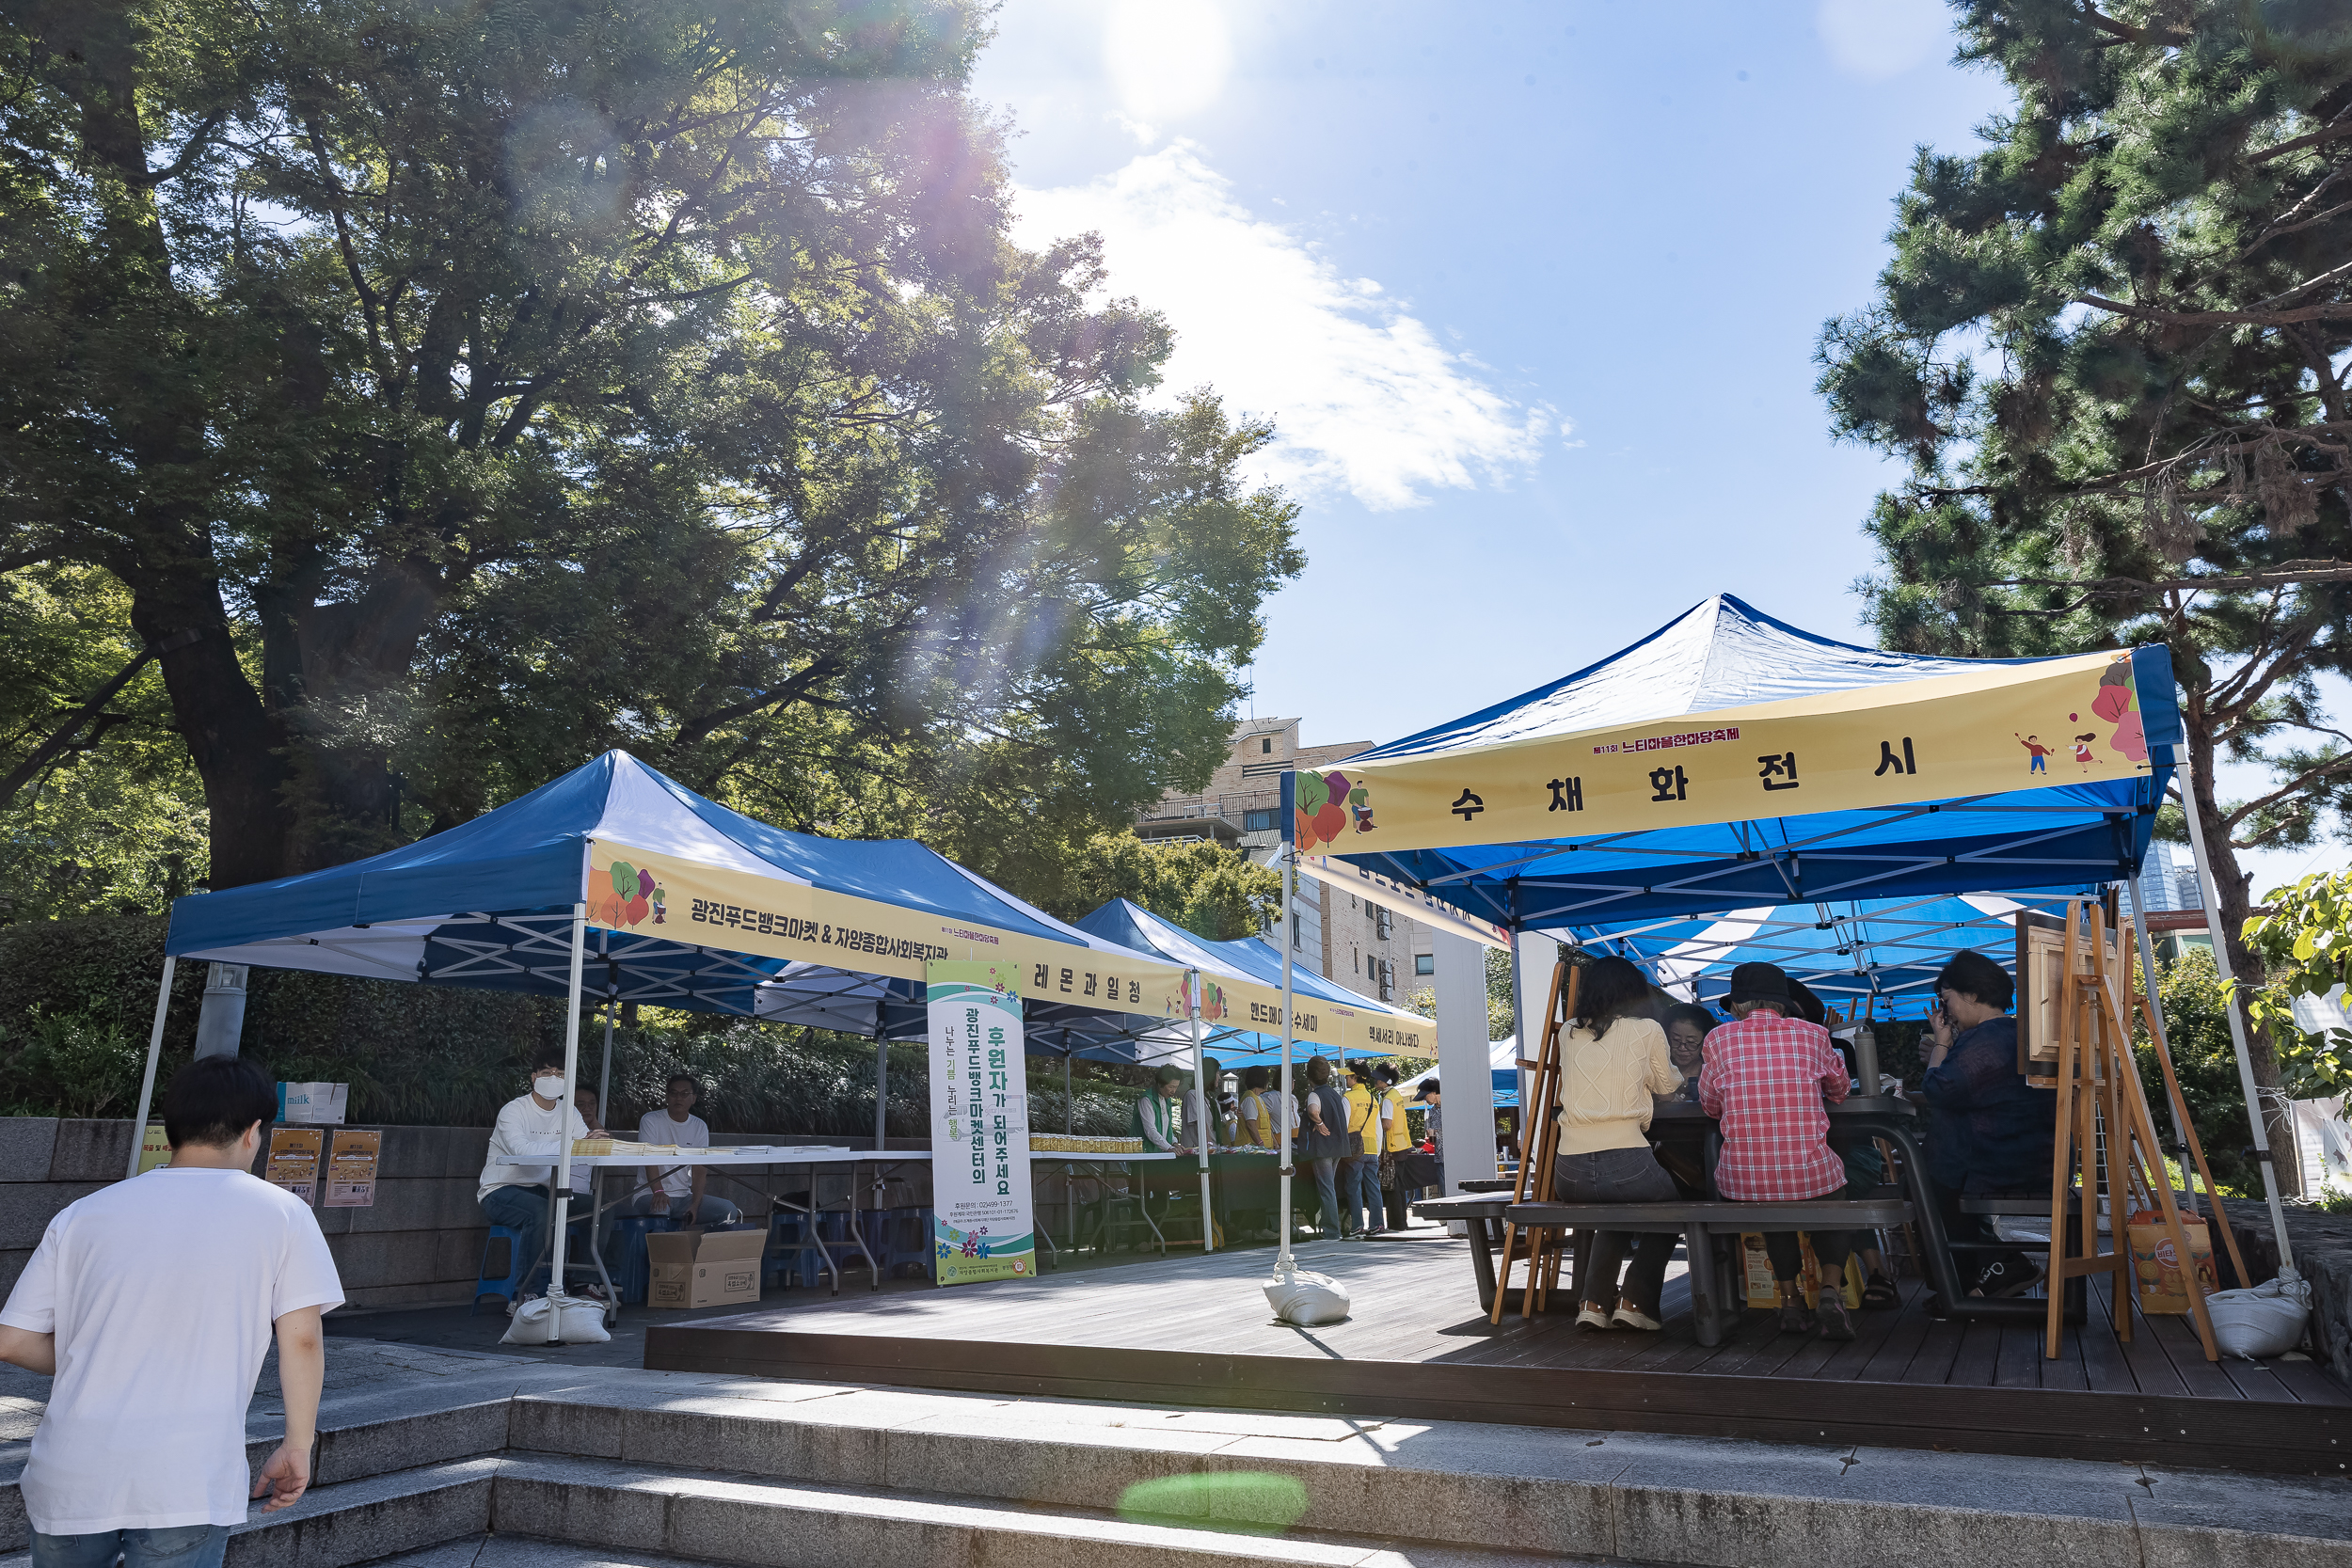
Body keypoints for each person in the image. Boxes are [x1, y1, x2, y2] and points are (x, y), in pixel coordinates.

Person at [0, 1057, 344, 1568]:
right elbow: (301, 1340)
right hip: (185, 1478)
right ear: (253, 1133)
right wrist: (298, 1445)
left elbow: (12, 1340)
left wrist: (101, 1355)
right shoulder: (282, 1213)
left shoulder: (84, 1214)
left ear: (170, 1130)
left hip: (71, 1473)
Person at [1697, 962, 1858, 1340]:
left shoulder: (1717, 1041)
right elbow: (1840, 1090)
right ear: (1784, 1003)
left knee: (1770, 1203)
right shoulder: (1814, 1035)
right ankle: (1831, 1291)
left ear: (1737, 1005)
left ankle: (1789, 1302)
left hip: (1744, 1178)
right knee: (1832, 1197)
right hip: (1809, 1170)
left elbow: (1710, 1105)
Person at [1549, 956, 1685, 1331]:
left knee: (1617, 1208)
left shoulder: (1568, 1032)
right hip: (1627, 1160)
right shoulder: (1647, 1030)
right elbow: (1668, 1085)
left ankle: (1592, 1303)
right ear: (1633, 992)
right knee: (1673, 1210)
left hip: (1569, 1171)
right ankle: (1635, 1301)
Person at [1918, 949, 2055, 1296]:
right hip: (2040, 1157)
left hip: (2000, 1164)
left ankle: (1962, 1284)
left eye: (1945, 998)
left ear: (1972, 995)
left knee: (1921, 1183)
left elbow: (1938, 1089)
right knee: (1929, 1178)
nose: (1944, 1009)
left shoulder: (1985, 1040)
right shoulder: (2022, 1033)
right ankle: (1997, 1267)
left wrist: (1941, 1045)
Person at [479, 1048, 605, 1309]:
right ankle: (526, 1295)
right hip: (500, 1190)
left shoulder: (569, 1112)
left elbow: (585, 1147)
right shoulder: (514, 1110)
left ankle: (582, 1283)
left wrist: (597, 1141)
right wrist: (573, 1143)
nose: (553, 1078)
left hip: (543, 1189)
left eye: (560, 1074)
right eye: (547, 1072)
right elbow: (522, 1152)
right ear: (534, 1077)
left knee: (600, 1208)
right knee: (541, 1212)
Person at [620, 1073, 741, 1227]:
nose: (679, 1098)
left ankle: (708, 1250)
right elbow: (650, 1161)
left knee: (728, 1210)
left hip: (684, 1197)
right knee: (661, 1208)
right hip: (649, 1194)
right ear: (666, 1096)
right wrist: (658, 1192)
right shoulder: (650, 1120)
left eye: (685, 1094)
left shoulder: (699, 1126)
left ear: (694, 1098)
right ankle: (661, 1252)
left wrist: (695, 1205)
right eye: (673, 1093)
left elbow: (700, 1170)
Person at [1299, 1056, 1351, 1239]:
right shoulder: (1335, 1095)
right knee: (1331, 1188)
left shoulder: (1315, 1094)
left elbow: (1313, 1110)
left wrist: (1319, 1122)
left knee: (1326, 1188)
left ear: (1309, 1076)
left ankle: (1331, 1231)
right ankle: (1332, 1227)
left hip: (1322, 1148)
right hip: (1337, 1146)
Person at [1338, 1062, 1383, 1239]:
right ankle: (1378, 1225)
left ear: (1355, 1077)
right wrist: (1377, 1151)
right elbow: (1378, 1128)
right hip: (1372, 1147)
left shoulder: (1347, 1098)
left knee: (1353, 1187)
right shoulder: (1373, 1099)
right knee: (1374, 1187)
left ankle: (1357, 1226)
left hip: (1355, 1148)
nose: (1346, 1078)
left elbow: (1343, 1125)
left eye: (1348, 1076)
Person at [1663, 1004, 1713, 1101]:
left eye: (1691, 1042)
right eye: (1676, 1040)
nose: (1682, 1048)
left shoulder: (1711, 1074)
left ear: (1705, 1041)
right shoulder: (1659, 1071)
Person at [1133, 1065, 1185, 1153]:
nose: (1174, 1091)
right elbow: (1150, 1130)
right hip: (1144, 1153)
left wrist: (1174, 1143)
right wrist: (1169, 1147)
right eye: (1171, 1087)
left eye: (1176, 1087)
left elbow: (1167, 1128)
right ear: (1160, 1084)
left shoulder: (1167, 1100)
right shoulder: (1146, 1099)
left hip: (1160, 1153)